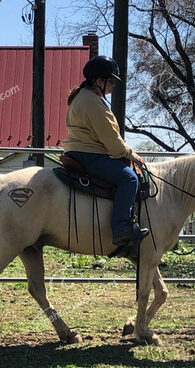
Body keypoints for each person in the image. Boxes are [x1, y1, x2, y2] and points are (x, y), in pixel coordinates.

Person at [63, 55, 149, 246]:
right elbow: (110, 138)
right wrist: (130, 154)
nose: (113, 86)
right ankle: (121, 228)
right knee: (130, 178)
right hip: (90, 154)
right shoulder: (92, 102)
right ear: (99, 81)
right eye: (111, 81)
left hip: (79, 151)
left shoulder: (84, 97)